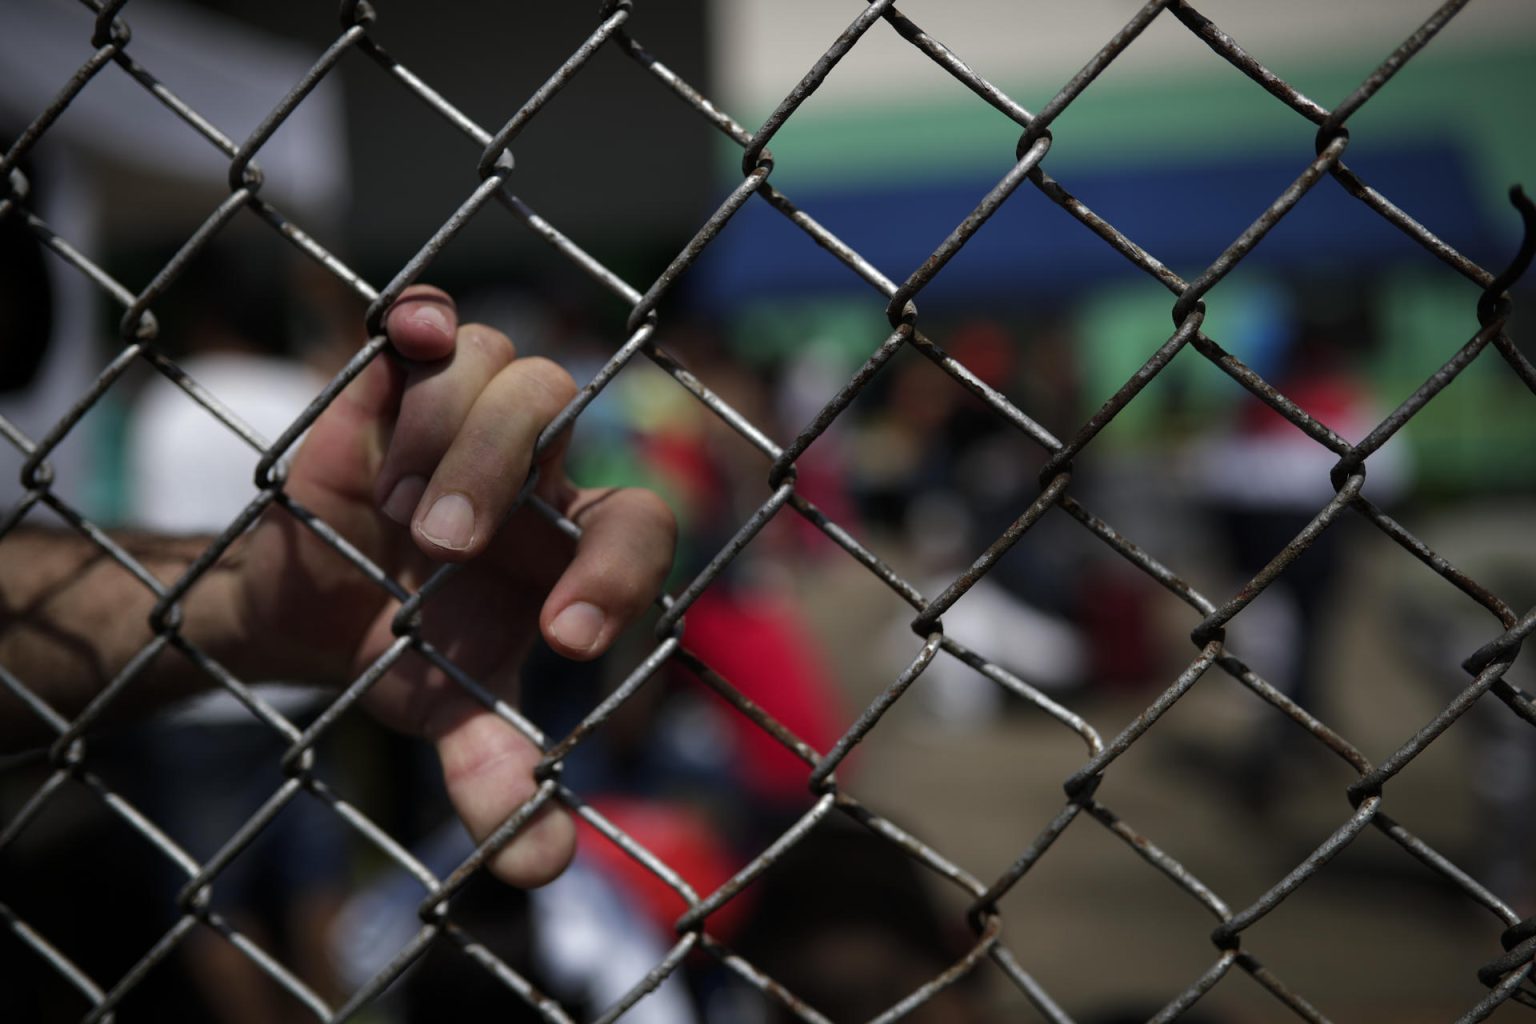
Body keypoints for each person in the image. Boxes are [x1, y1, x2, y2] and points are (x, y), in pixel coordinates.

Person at [0, 284, 677, 890]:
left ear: (206, 326)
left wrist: (236, 604)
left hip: (190, 700)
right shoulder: (300, 389)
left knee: (205, 886)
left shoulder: (169, 400)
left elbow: (142, 501)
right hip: (296, 696)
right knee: (314, 871)